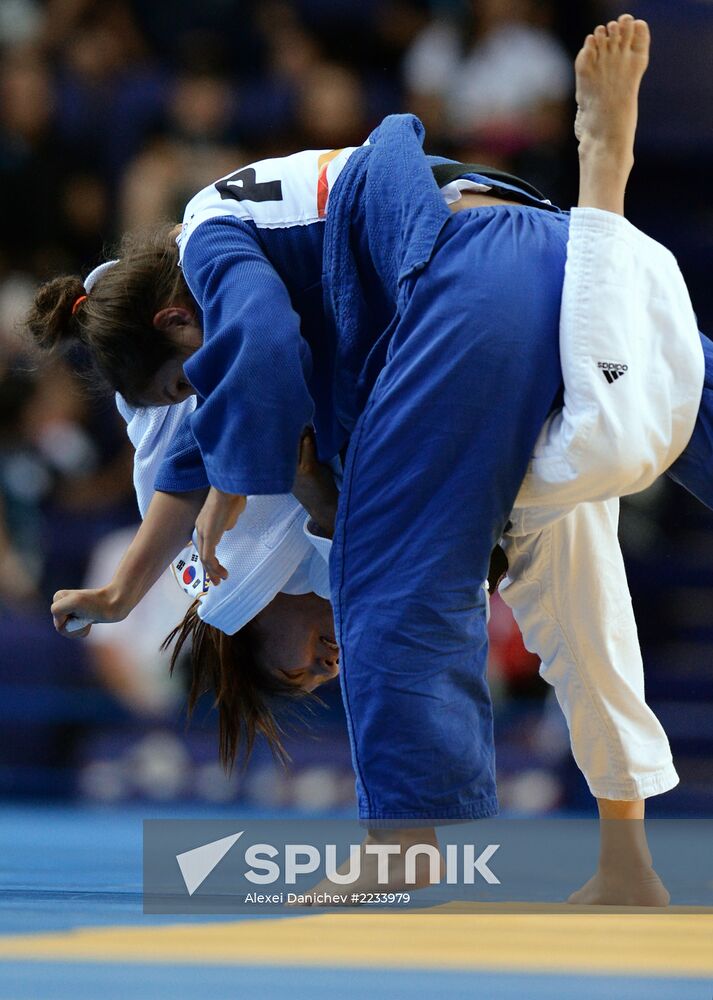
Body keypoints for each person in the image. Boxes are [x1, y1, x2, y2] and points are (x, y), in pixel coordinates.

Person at [29, 14, 708, 900]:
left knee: (388, 572)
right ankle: (627, 861)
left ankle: (403, 839)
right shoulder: (266, 356)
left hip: (468, 284)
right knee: (584, 579)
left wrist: (234, 491)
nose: (320, 667)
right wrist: (126, 587)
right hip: (569, 276)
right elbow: (198, 446)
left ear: (173, 324)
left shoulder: (208, 239)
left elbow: (244, 373)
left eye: (183, 384)